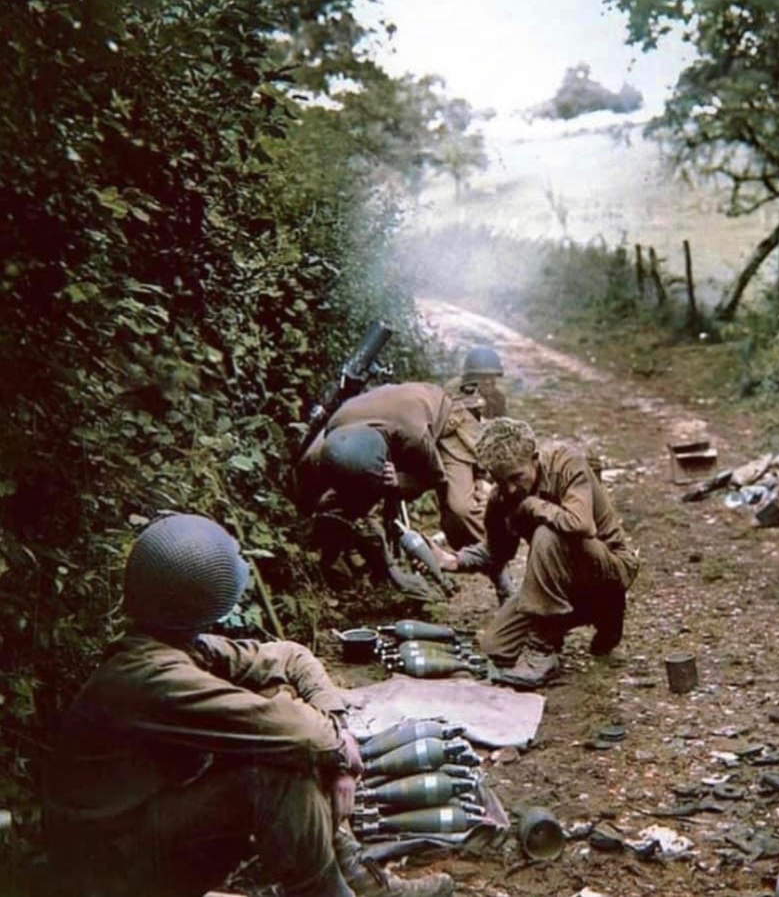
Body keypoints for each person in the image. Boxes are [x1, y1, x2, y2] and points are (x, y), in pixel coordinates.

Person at [41, 513, 453, 897]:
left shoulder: (174, 645)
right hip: (107, 864)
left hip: (143, 829)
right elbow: (304, 736)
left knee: (280, 704)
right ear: (203, 604)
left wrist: (338, 729)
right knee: (274, 769)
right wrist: (337, 752)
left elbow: (291, 657)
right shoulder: (149, 678)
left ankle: (352, 871)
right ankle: (330, 887)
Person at [435, 418, 639, 689]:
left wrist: (532, 505)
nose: (509, 489)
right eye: (499, 480)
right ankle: (583, 614)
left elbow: (581, 524)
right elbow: (497, 552)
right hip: (560, 581)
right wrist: (454, 560)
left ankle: (547, 645)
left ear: (534, 459)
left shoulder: (565, 464)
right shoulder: (502, 497)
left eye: (516, 477)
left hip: (608, 568)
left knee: (548, 533)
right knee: (495, 647)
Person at [297, 381, 512, 602]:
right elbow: (314, 501)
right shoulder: (324, 449)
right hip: (388, 429)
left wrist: (399, 481)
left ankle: (499, 573)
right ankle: (372, 571)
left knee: (459, 508)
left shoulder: (414, 436)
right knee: (342, 506)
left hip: (443, 420)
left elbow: (434, 477)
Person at [446, 345, 507, 420]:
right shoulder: (453, 391)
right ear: (471, 376)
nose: (488, 382)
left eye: (491, 375)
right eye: (482, 376)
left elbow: (501, 425)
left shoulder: (498, 398)